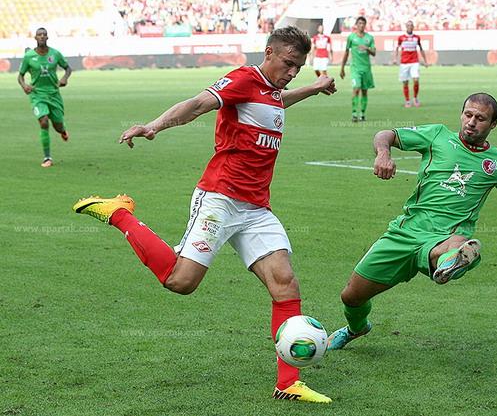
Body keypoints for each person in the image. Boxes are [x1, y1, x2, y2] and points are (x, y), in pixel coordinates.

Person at [72, 26, 337, 403]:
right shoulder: (243, 79)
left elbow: (276, 100)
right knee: (180, 281)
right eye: (289, 63)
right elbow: (197, 104)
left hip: (256, 208)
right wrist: (154, 126)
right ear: (269, 53)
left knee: (285, 283)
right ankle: (119, 214)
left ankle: (288, 383)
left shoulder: (272, 90)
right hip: (220, 198)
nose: (293, 72)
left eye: (299, 67)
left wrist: (312, 88)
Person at [327, 92, 497, 350]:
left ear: (493, 124)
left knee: (457, 246)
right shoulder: (437, 136)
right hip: (405, 231)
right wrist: (383, 154)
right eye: (468, 114)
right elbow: (385, 134)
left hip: (447, 237)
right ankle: (356, 329)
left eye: (481, 118)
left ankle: (454, 261)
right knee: (351, 296)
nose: (472, 122)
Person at [18, 28, 72, 168]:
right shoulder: (29, 56)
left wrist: (64, 78)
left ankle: (63, 131)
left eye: (44, 34)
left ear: (47, 37)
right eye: (39, 35)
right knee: (43, 122)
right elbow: (20, 76)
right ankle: (47, 157)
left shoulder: (55, 54)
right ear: (35, 38)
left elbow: (68, 68)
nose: (42, 36)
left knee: (58, 126)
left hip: (53, 94)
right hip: (37, 95)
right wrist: (24, 86)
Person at [340, 16, 375, 122]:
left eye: (363, 23)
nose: (361, 25)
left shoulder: (369, 38)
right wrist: (342, 68)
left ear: (365, 25)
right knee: (356, 88)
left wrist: (367, 48)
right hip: (355, 68)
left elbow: (374, 52)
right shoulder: (351, 37)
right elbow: (346, 52)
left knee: (364, 91)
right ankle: (354, 114)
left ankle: (363, 114)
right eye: (359, 23)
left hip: (366, 68)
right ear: (356, 25)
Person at [393, 20, 428, 108]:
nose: (410, 27)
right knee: (405, 82)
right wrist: (395, 58)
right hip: (404, 63)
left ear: (413, 27)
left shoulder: (417, 37)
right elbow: (397, 48)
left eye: (411, 25)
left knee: (416, 79)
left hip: (414, 62)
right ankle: (407, 100)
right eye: (408, 25)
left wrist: (425, 61)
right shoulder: (401, 38)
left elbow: (421, 49)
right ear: (406, 27)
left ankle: (415, 98)